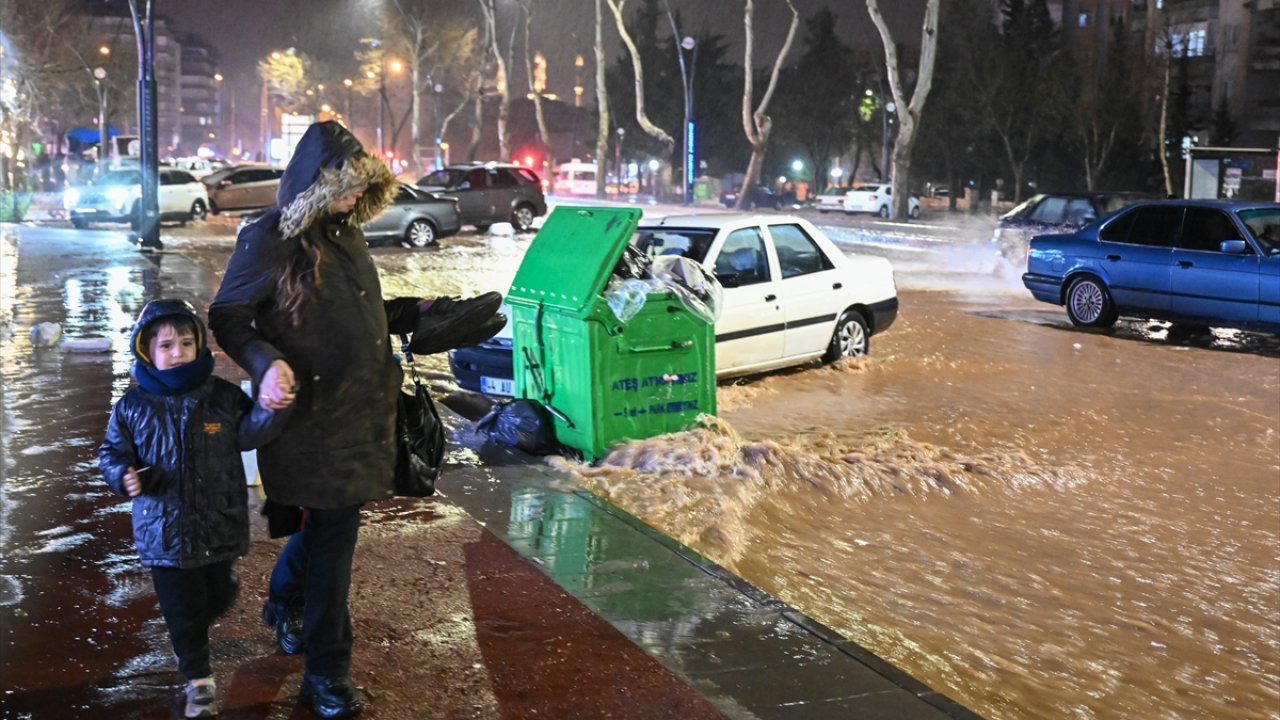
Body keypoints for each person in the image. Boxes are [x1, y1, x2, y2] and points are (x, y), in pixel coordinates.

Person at [208, 121, 498, 719]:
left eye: (359, 187)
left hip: (364, 414)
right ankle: (326, 672)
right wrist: (266, 363)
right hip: (310, 418)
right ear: (311, 183)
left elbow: (359, 310)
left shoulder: (346, 234)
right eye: (341, 186)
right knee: (335, 540)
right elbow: (229, 314)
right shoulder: (270, 235)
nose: (350, 197)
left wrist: (421, 310)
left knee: (329, 530)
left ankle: (284, 603)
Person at [99, 299, 290, 718]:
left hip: (216, 525)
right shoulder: (132, 405)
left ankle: (193, 633)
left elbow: (248, 434)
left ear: (200, 345)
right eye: (167, 345)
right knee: (183, 611)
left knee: (220, 594)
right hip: (162, 530)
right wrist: (121, 473)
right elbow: (112, 452)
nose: (178, 352)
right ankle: (198, 679)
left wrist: (271, 409)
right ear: (147, 350)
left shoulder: (220, 396)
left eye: (187, 342)